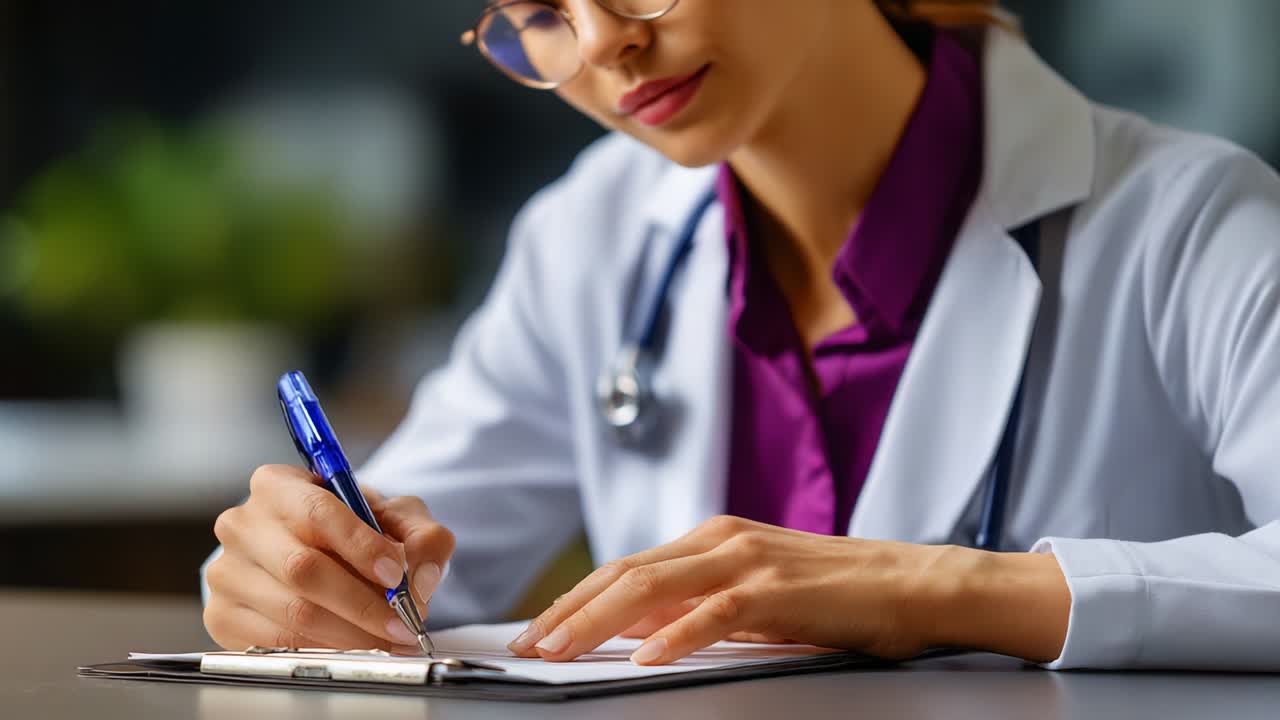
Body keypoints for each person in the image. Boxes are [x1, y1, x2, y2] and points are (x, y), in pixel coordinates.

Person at [201, 0, 1280, 670]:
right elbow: (418, 557)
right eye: (540, 12)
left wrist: (927, 592)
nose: (609, 44)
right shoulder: (594, 233)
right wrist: (306, 575)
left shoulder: (1187, 223)